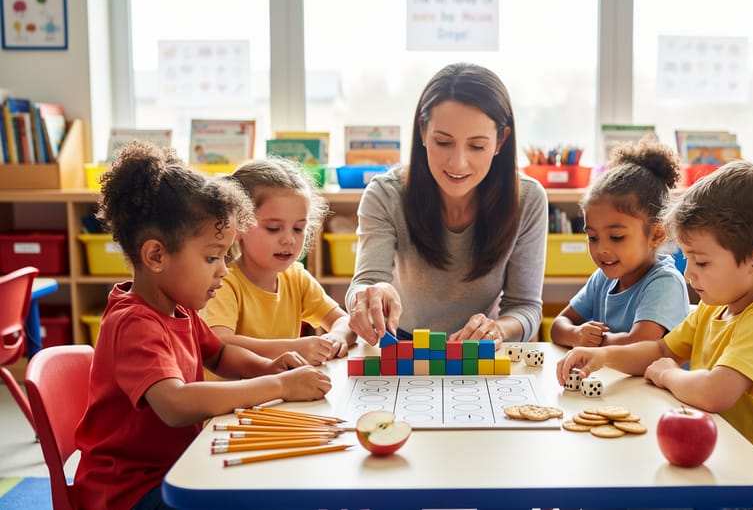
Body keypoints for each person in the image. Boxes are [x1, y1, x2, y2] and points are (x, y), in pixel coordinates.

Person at [73, 142, 332, 510]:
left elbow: (221, 354)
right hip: (128, 492)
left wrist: (269, 366)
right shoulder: (133, 323)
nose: (224, 270)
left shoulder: (178, 309)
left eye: (225, 256)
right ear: (156, 255)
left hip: (176, 466)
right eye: (212, 256)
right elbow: (175, 403)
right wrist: (278, 385)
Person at [556, 161, 753, 510]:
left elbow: (714, 392)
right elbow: (661, 349)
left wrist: (669, 374)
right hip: (718, 458)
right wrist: (605, 357)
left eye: (702, 262)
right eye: (688, 259)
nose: (689, 273)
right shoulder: (716, 304)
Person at [346, 63, 547, 347]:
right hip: (400, 343)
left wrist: (497, 330)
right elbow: (365, 282)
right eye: (443, 142)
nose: (458, 163)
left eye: (477, 146)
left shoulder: (527, 199)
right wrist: (367, 296)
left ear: (501, 141)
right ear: (423, 132)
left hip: (476, 348)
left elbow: (526, 307)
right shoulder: (385, 194)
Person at [202, 158, 356, 364]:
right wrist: (293, 348)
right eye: (274, 229)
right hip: (234, 396)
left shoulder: (296, 278)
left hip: (282, 393)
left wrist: (337, 337)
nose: (289, 239)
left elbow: (343, 320)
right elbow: (220, 343)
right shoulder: (223, 283)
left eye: (298, 228)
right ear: (237, 226)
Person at [550, 139, 690, 348]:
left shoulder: (664, 282)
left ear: (656, 234)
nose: (601, 249)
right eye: (592, 237)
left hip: (654, 381)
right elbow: (558, 325)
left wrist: (595, 342)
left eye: (616, 237)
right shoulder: (602, 279)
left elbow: (639, 344)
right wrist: (576, 334)